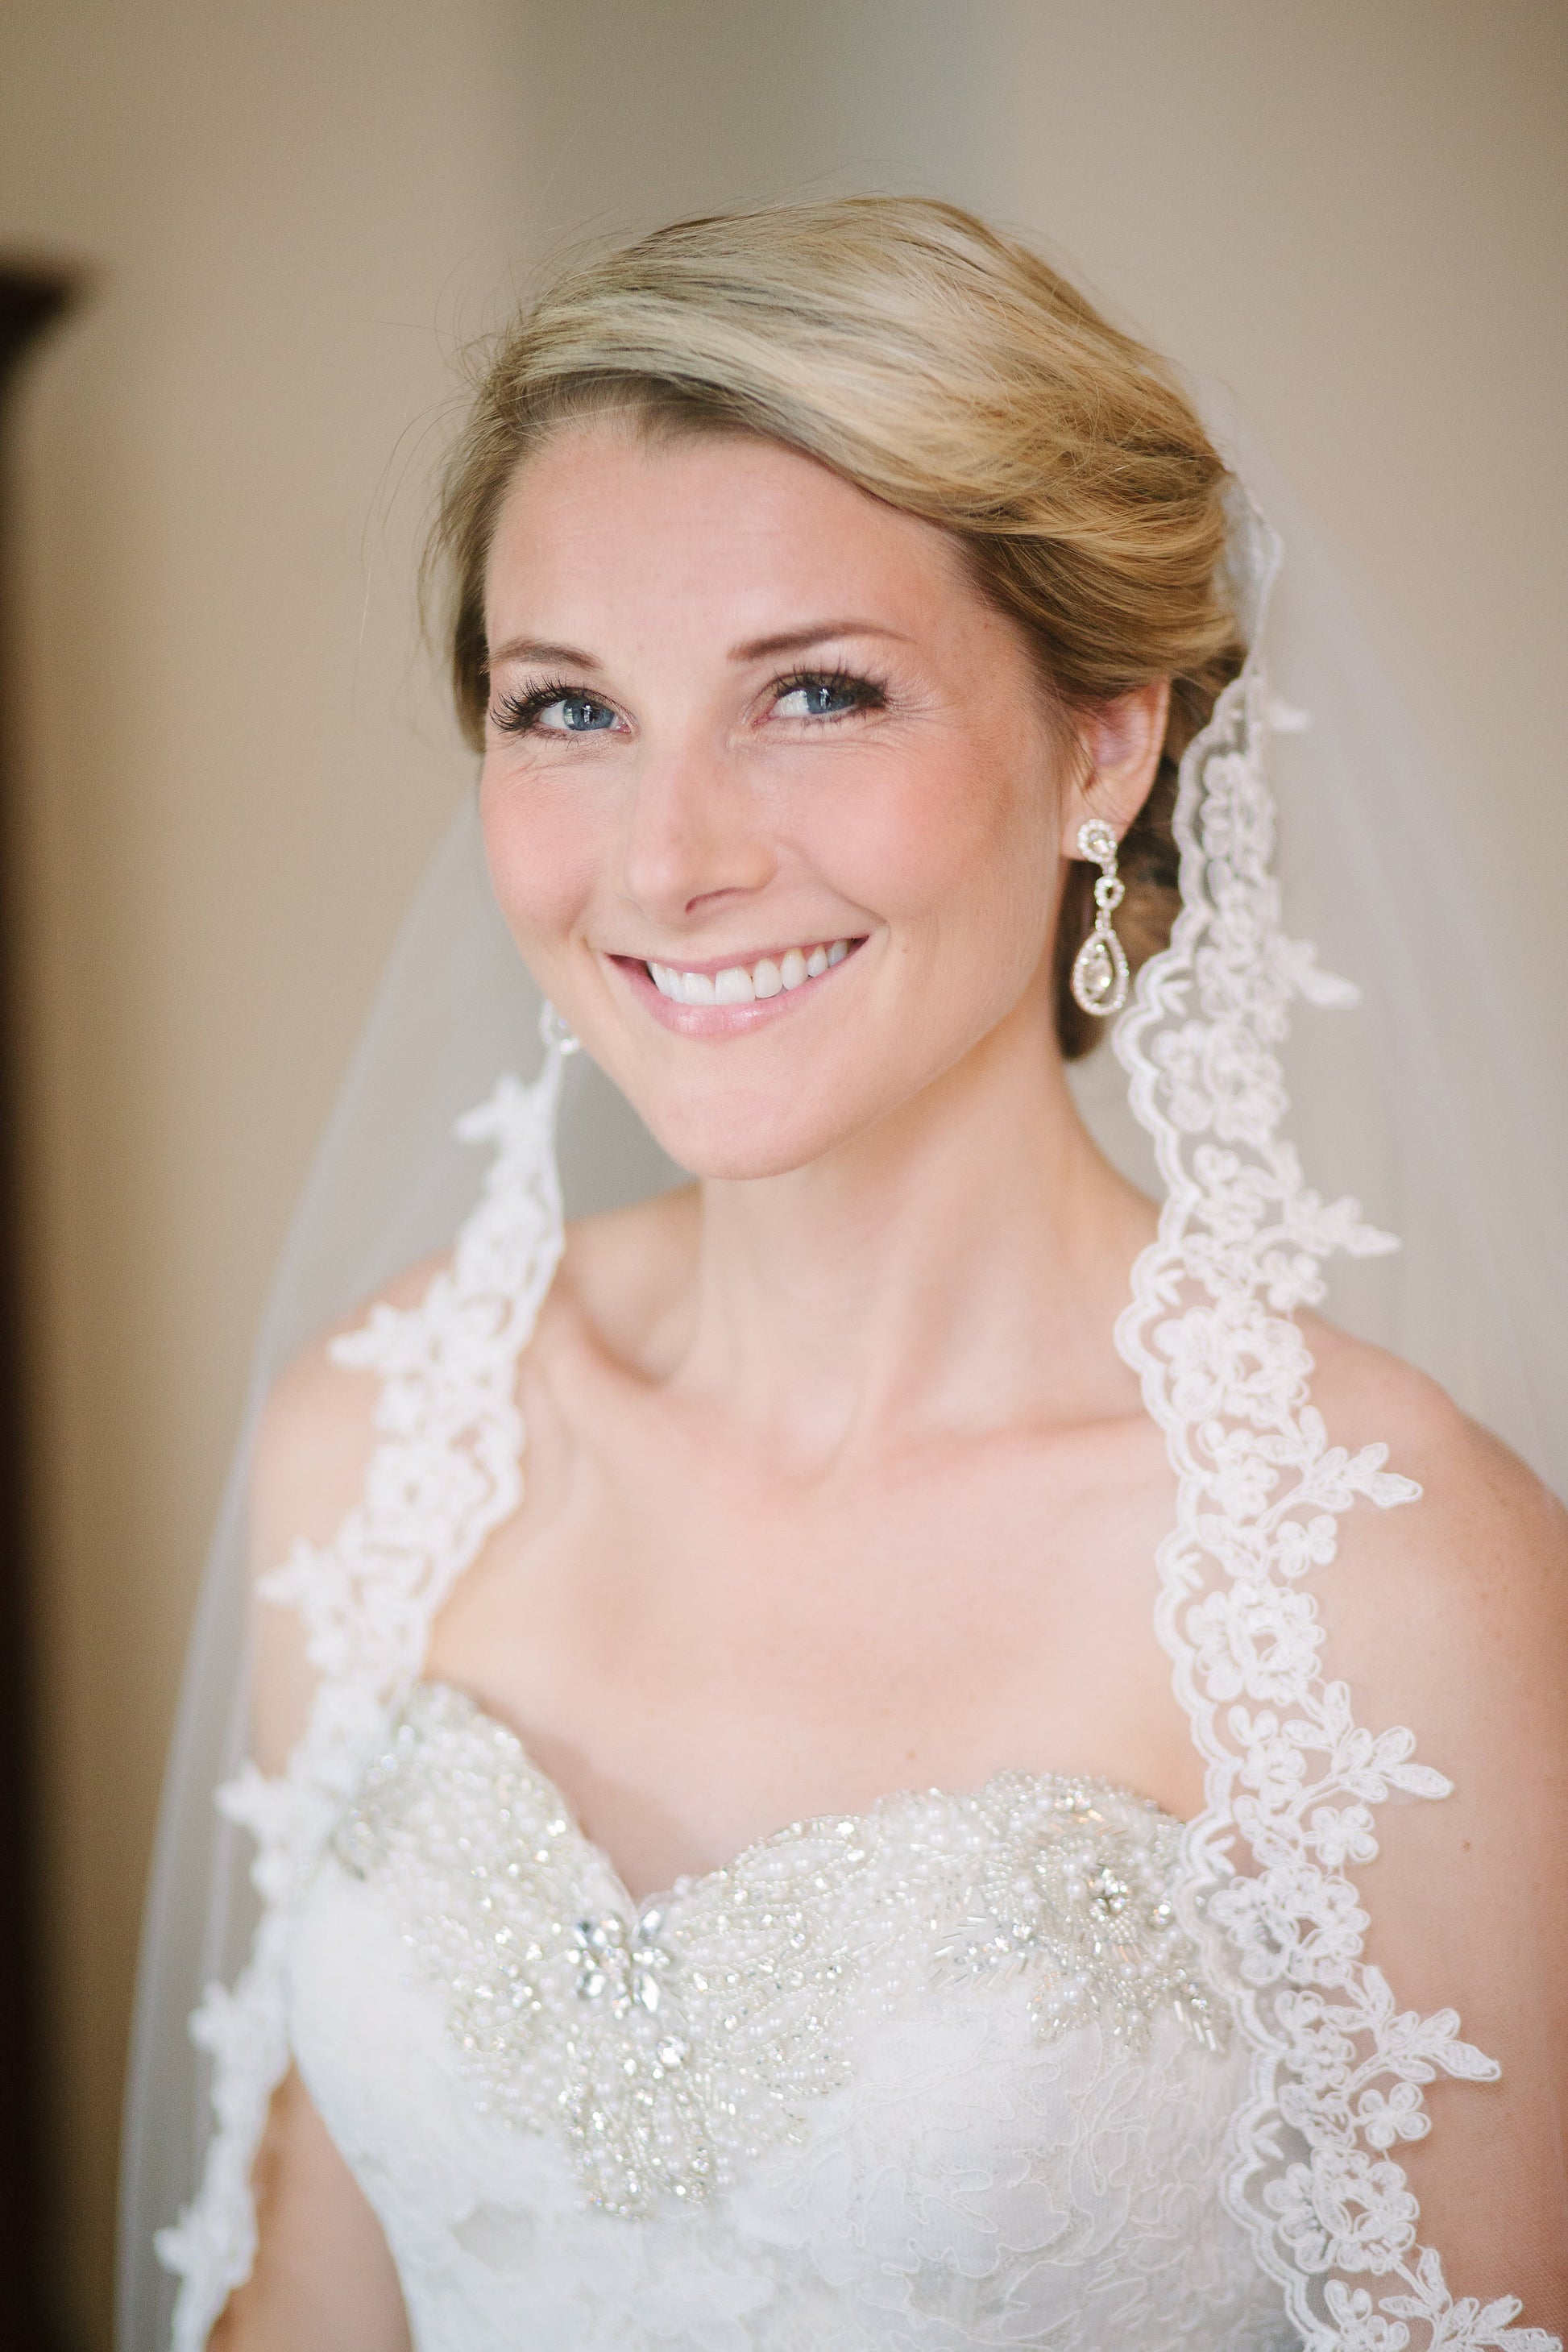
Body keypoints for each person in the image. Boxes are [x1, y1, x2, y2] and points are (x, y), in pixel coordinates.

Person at [133, 198, 1566, 2351]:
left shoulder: (1378, 1570)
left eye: (814, 692)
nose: (669, 860)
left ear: (1104, 740)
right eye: (566, 709)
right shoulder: (383, 1439)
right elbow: (319, 2291)